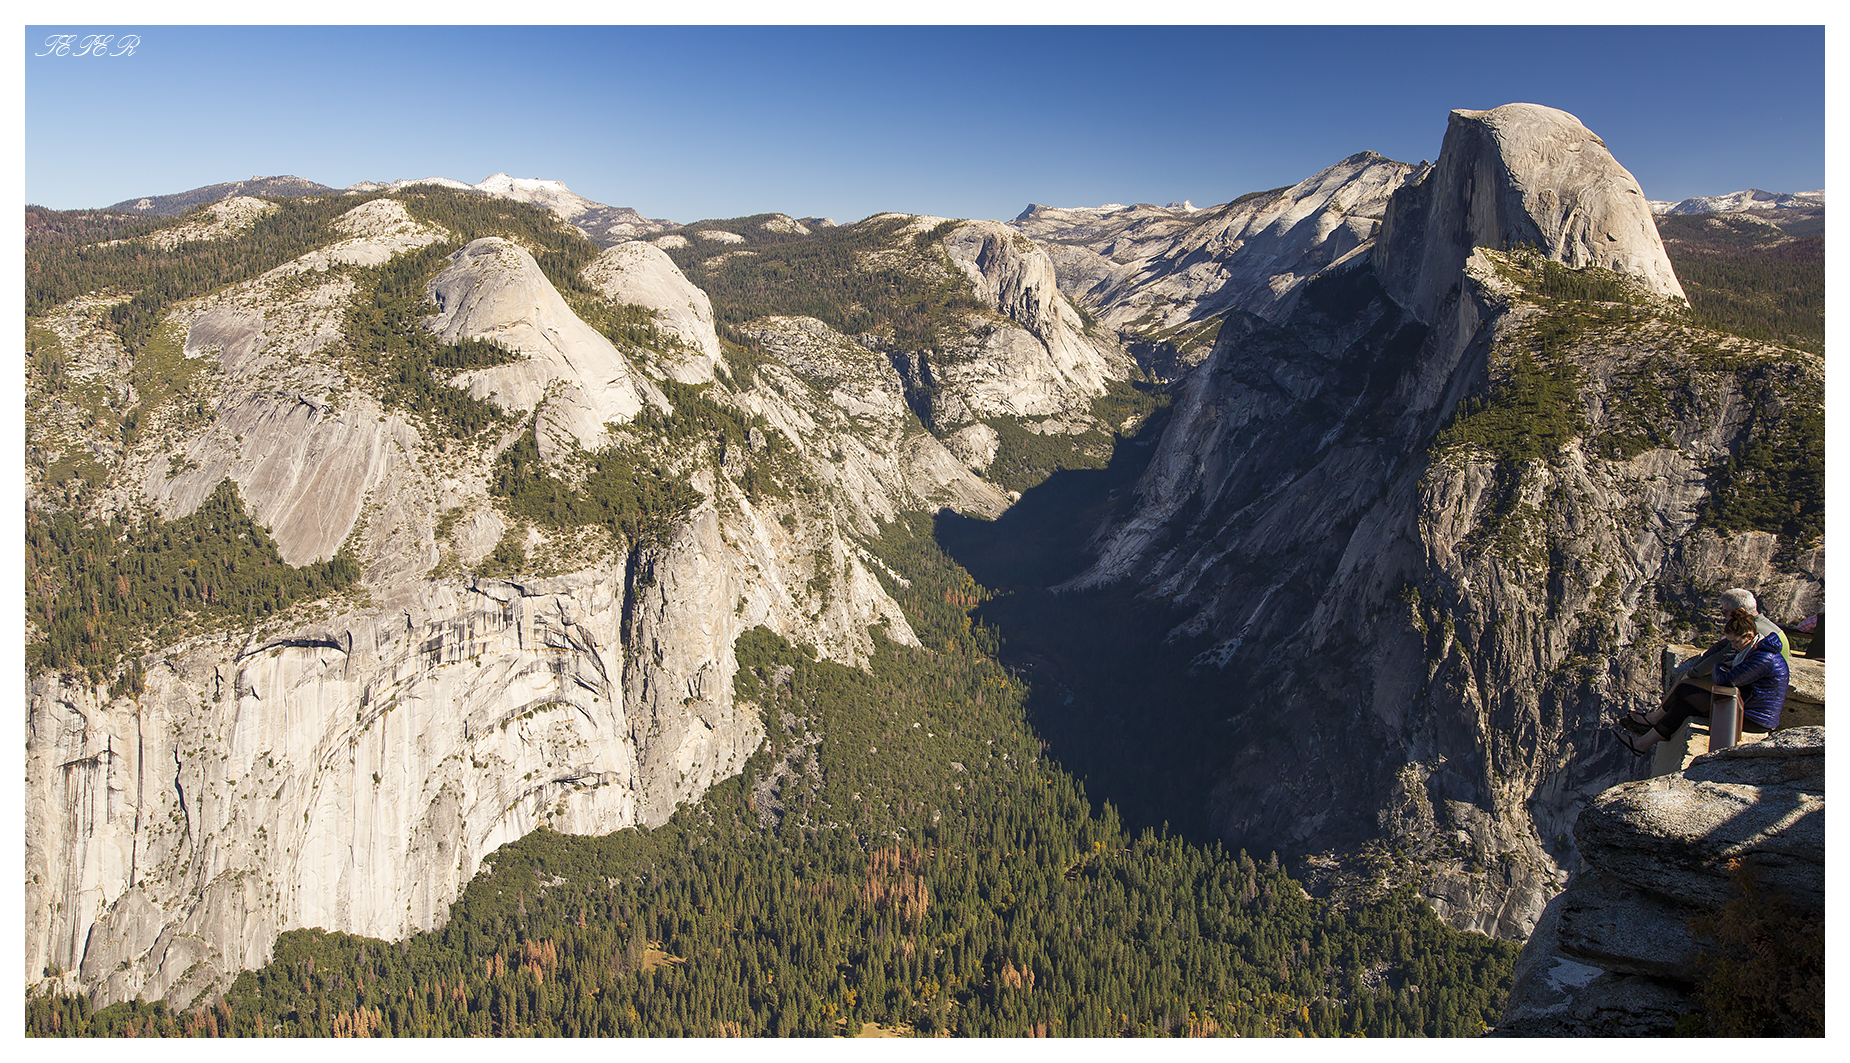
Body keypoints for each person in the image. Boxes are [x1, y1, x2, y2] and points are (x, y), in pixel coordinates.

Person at [1617, 606, 1790, 755]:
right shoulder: (1752, 650)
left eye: (1736, 642)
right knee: (1683, 702)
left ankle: (1647, 732)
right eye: (1732, 642)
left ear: (1750, 635)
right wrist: (1723, 666)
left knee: (1685, 693)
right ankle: (1642, 744)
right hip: (1744, 706)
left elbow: (1726, 680)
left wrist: (1718, 666)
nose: (1734, 646)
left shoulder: (1763, 659)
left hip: (1755, 718)